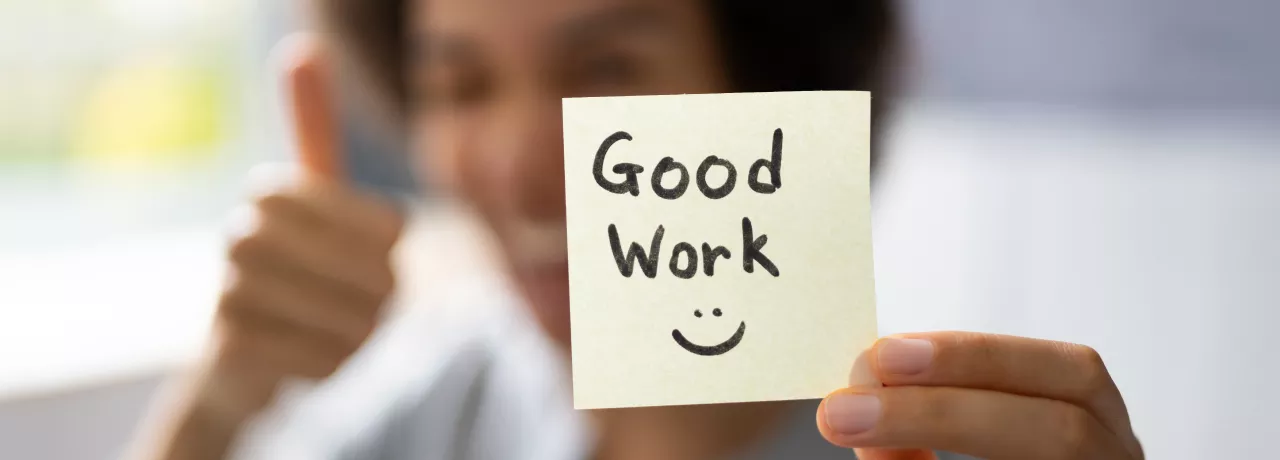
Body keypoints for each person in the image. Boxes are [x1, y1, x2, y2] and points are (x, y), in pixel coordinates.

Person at [129, 1, 1145, 459]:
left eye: (605, 67)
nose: (519, 164)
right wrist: (222, 397)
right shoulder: (447, 399)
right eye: (457, 82)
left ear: (773, 88)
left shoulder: (940, 452)